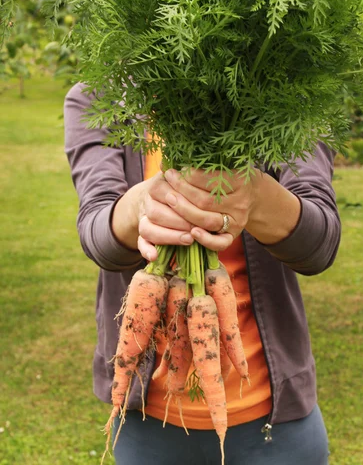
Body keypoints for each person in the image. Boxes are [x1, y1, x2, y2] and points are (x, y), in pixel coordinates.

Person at [64, 82, 340, 465]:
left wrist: (256, 198)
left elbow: (319, 246)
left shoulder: (285, 84)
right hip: (148, 421)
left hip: (276, 421)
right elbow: (97, 233)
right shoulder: (102, 95)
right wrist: (138, 210)